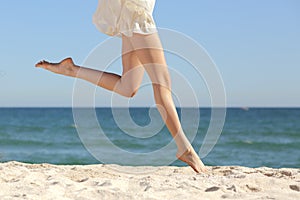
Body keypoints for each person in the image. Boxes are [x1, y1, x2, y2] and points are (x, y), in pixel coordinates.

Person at [35, 0, 207, 173]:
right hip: (136, 16)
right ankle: (185, 149)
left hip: (131, 18)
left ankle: (70, 70)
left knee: (128, 86)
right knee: (162, 84)